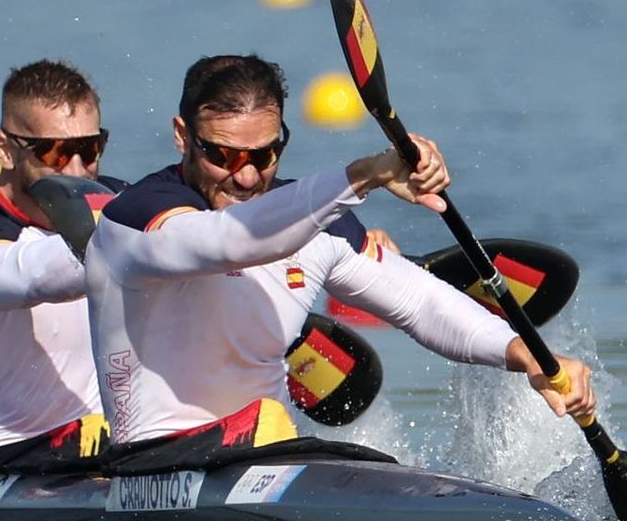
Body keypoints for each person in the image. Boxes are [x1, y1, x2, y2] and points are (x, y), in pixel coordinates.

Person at [85, 54, 595, 472]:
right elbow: (231, 242)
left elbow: (420, 301)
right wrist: (365, 175)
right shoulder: (136, 220)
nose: (244, 178)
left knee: (366, 462)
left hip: (268, 454)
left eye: (263, 157)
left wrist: (525, 353)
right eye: (223, 156)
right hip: (149, 466)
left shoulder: (315, 225)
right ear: (182, 136)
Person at [0, 59, 126, 475]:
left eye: (88, 150)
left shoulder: (116, 202)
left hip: (95, 449)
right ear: (5, 148)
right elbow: (30, 275)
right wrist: (133, 244)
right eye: (54, 152)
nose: (76, 171)